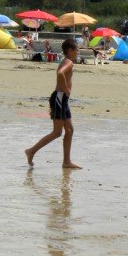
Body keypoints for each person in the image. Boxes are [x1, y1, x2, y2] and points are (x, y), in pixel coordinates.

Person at [25, 38, 82, 169]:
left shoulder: (67, 61)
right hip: (59, 98)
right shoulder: (69, 62)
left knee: (70, 130)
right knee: (57, 132)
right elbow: (60, 73)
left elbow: (61, 73)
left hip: (62, 99)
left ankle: (66, 162)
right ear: (70, 50)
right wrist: (66, 88)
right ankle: (31, 151)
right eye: (77, 50)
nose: (78, 52)